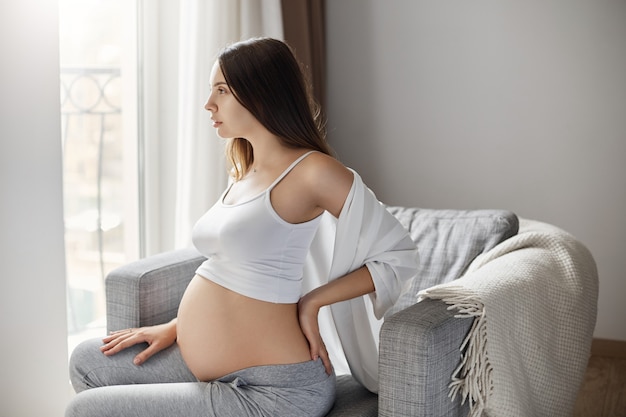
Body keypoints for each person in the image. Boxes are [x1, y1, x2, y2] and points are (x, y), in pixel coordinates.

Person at [66, 37, 419, 417]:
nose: (209, 104)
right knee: (87, 361)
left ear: (261, 94)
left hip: (274, 388)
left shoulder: (314, 172)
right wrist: (177, 325)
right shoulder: (246, 168)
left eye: (221, 91)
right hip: (219, 366)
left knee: (85, 411)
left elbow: (398, 255)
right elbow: (236, 268)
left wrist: (313, 302)